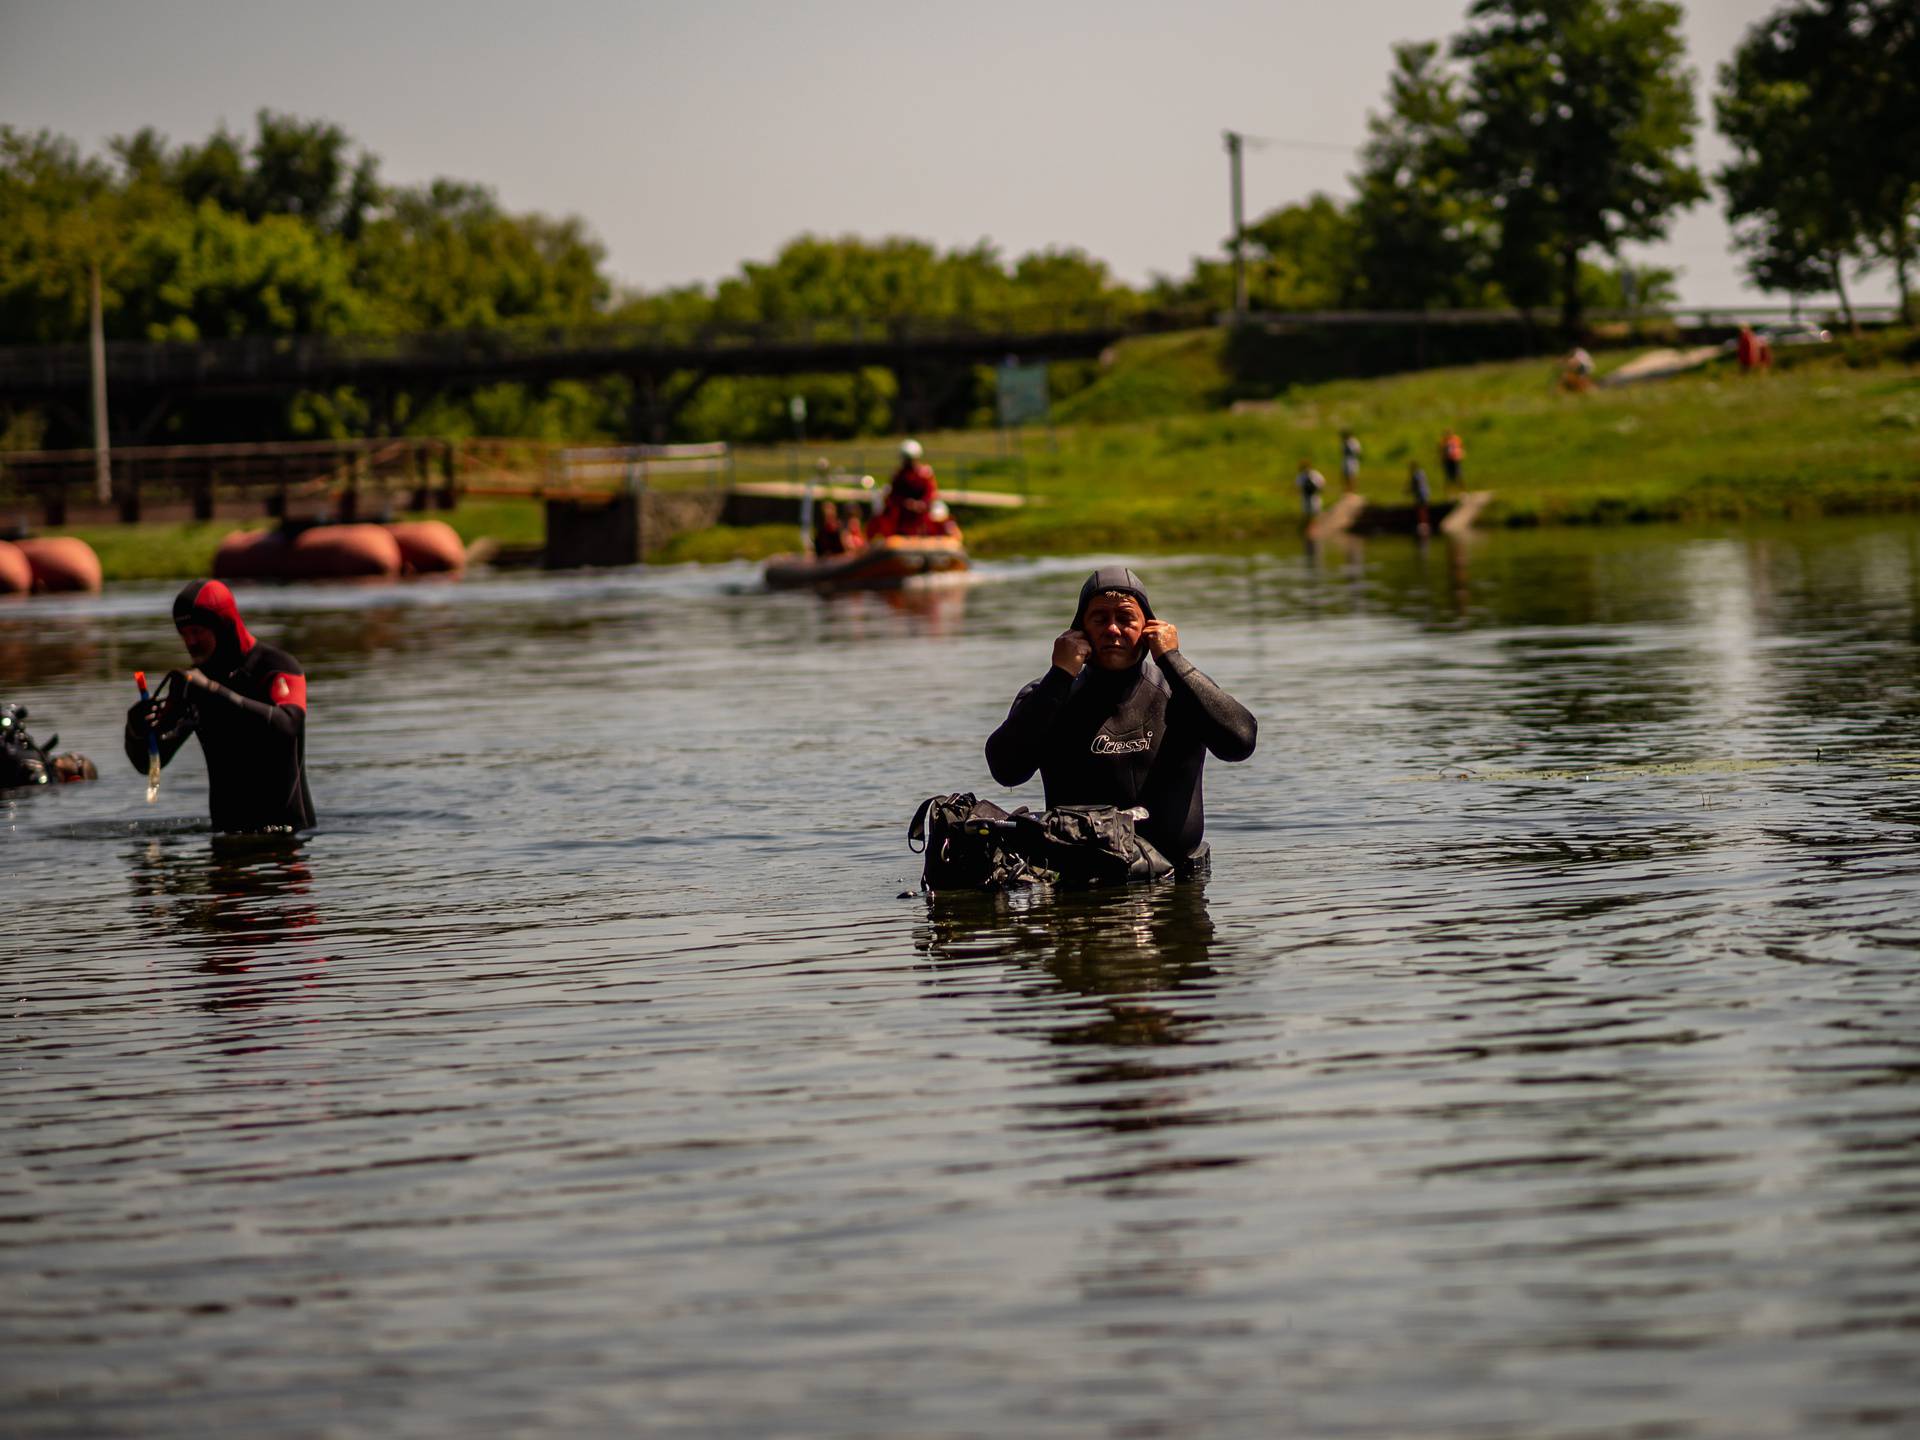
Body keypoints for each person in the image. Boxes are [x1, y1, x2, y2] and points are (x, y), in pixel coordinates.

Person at [985, 567, 1256, 872]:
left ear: (1149, 628)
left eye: (1125, 618)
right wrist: (1059, 676)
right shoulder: (1048, 696)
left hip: (1177, 890)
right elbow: (1006, 770)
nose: (1112, 629)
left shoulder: (1182, 691)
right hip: (1082, 890)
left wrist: (1173, 660)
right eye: (1100, 619)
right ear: (1079, 630)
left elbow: (1240, 743)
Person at [124, 579, 315, 831]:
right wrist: (137, 729)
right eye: (184, 634)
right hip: (227, 843)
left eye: (196, 631)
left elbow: (288, 726)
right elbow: (150, 766)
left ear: (223, 626)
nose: (190, 642)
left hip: (286, 841)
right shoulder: (195, 686)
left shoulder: (276, 667)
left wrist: (211, 693)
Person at [0, 702, 96, 788]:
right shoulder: (34, 756)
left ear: (75, 779)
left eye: (77, 760)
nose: (72, 754)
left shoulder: (38, 775)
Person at [872, 439, 938, 538]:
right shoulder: (899, 476)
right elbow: (893, 497)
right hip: (903, 523)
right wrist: (906, 503)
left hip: (922, 522)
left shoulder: (925, 475)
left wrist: (920, 505)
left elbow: (930, 495)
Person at [1409, 461, 1432, 533]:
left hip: (1420, 494)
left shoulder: (1415, 475)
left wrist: (1409, 490)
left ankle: (1423, 523)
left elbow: (1415, 485)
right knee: (1424, 508)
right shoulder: (1422, 472)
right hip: (1426, 493)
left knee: (1421, 509)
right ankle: (1425, 523)